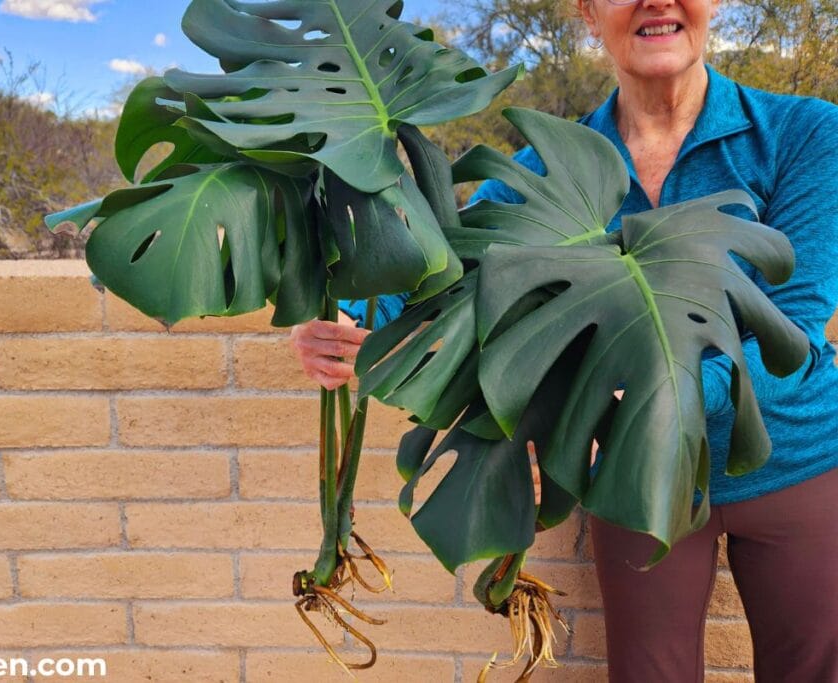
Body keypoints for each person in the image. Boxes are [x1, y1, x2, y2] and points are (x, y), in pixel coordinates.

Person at [290, 0, 838, 680]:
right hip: (637, 473)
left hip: (793, 457)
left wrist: (648, 401)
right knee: (649, 672)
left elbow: (794, 315)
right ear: (587, 12)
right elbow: (449, 262)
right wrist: (354, 321)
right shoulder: (552, 164)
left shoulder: (804, 133)